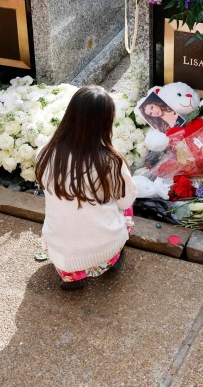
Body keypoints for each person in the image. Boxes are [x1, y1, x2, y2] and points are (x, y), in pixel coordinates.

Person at [37, 86, 137, 290]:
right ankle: (110, 259)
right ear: (105, 123)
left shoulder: (45, 153)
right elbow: (126, 199)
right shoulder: (110, 162)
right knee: (126, 205)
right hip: (102, 248)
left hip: (59, 249)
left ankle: (71, 275)